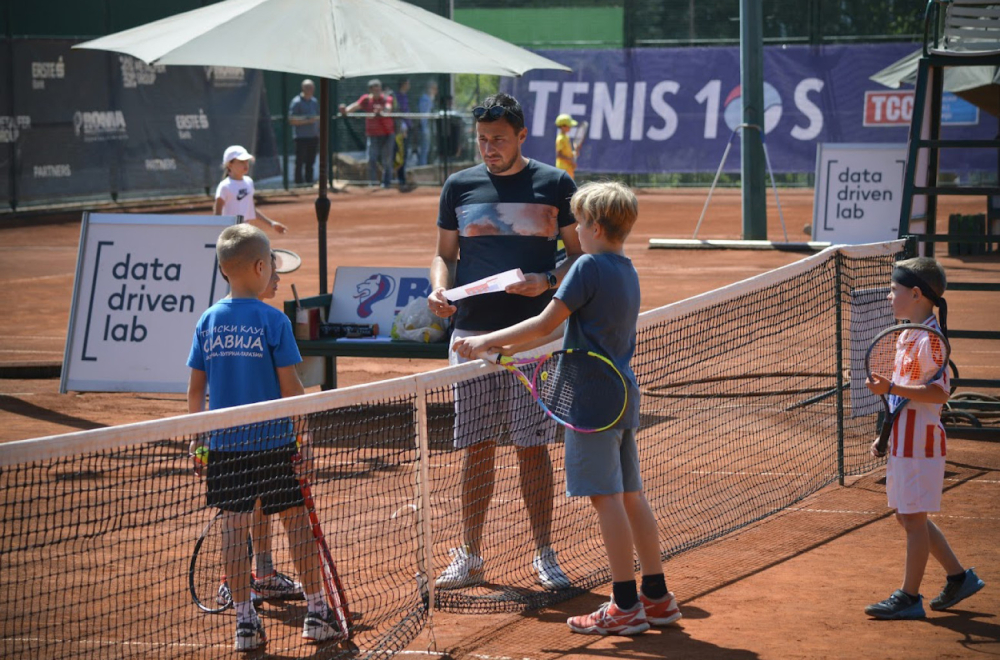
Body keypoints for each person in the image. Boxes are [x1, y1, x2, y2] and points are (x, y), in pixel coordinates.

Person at [453, 181, 680, 635]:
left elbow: (544, 324)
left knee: (606, 498)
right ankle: (656, 597)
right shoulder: (625, 268)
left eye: (577, 223)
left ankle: (623, 605)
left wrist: (483, 340)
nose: (571, 232)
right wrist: (502, 349)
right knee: (631, 495)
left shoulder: (588, 268)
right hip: (621, 394)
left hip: (592, 399)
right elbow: (562, 332)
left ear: (594, 226)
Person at [427, 92, 582, 592]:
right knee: (475, 447)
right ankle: (470, 554)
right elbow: (444, 255)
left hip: (534, 336)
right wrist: (437, 287)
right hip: (471, 335)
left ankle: (544, 554)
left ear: (520, 136)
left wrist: (547, 281)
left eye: (498, 139)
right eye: (482, 140)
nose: (489, 148)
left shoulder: (555, 184)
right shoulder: (459, 186)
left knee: (532, 447)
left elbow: (579, 258)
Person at [187, 224, 344, 651]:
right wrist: (305, 442)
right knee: (297, 524)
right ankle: (316, 612)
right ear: (260, 267)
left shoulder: (206, 320)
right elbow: (292, 389)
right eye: (271, 263)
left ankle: (244, 622)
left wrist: (196, 439)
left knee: (234, 529)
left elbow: (196, 389)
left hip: (222, 447)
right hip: (274, 443)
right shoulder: (273, 320)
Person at [863, 257, 985, 620]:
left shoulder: (930, 339)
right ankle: (959, 577)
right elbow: (903, 397)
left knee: (913, 519)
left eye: (893, 290)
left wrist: (892, 387)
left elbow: (939, 393)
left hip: (921, 444)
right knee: (907, 517)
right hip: (904, 440)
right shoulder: (908, 333)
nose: (889, 296)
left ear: (915, 294)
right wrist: (886, 434)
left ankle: (909, 597)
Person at [214, 253, 304, 607]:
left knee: (260, 506)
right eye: (274, 273)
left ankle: (264, 575)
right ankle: (231, 582)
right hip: (236, 441)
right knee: (240, 514)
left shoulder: (268, 320)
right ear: (258, 271)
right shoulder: (253, 320)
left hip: (264, 436)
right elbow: (291, 385)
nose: (278, 280)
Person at [215, 145, 288, 234]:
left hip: (246, 230)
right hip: (229, 232)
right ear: (229, 164)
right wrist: (219, 232)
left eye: (246, 161)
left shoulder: (249, 182)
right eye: (241, 161)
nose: (245, 164)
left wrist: (271, 223)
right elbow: (217, 214)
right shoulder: (224, 186)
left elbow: (250, 208)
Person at [339, 79, 395, 188]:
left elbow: (388, 109)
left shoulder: (387, 99)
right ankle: (372, 184)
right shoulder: (366, 99)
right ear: (370, 90)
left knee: (387, 160)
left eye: (378, 87)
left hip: (387, 134)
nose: (377, 90)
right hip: (372, 134)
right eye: (374, 88)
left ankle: (386, 184)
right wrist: (344, 110)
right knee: (371, 159)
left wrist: (381, 112)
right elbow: (353, 108)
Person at [288, 79, 320, 185]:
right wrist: (307, 121)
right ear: (303, 88)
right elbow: (291, 120)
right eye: (308, 87)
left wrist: (318, 131)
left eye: (312, 87)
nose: (311, 90)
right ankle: (298, 183)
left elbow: (318, 118)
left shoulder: (314, 101)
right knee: (300, 162)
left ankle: (309, 182)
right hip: (301, 137)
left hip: (313, 137)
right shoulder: (296, 102)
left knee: (311, 162)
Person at [393, 78, 414, 190]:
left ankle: (403, 179)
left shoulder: (404, 96)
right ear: (404, 84)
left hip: (406, 129)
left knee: (405, 155)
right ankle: (400, 180)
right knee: (400, 156)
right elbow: (399, 113)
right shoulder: (398, 96)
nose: (409, 85)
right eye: (408, 83)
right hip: (401, 131)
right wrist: (403, 127)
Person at [418, 80, 438, 166]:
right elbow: (424, 115)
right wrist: (424, 129)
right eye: (434, 89)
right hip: (425, 128)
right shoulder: (425, 99)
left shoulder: (430, 99)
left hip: (429, 128)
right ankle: (422, 166)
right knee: (424, 149)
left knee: (429, 148)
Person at [554, 114, 579, 179]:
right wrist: (571, 161)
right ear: (563, 126)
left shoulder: (566, 137)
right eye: (569, 125)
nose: (570, 127)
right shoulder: (560, 138)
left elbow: (566, 152)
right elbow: (559, 155)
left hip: (568, 168)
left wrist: (573, 154)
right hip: (563, 169)